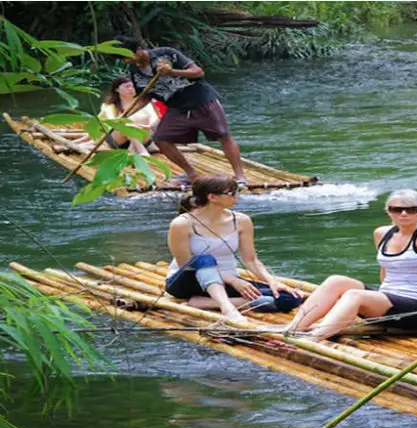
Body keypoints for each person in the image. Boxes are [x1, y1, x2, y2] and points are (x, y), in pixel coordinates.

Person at [286, 189, 417, 341]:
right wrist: (376, 301)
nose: (403, 214)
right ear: (388, 211)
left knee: (354, 294)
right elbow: (385, 271)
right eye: (397, 209)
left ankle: (314, 338)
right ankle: (293, 328)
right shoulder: (382, 233)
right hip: (388, 300)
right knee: (336, 281)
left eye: (411, 209)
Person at [165, 175, 302, 323]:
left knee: (290, 299)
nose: (237, 196)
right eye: (232, 193)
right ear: (212, 197)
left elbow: (251, 260)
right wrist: (233, 280)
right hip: (188, 281)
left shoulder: (242, 221)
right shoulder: (181, 224)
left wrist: (272, 281)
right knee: (204, 258)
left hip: (227, 282)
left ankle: (205, 303)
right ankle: (227, 308)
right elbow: (185, 264)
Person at [115, 36, 248, 186]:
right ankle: (191, 174)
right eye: (123, 59)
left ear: (138, 50)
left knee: (223, 135)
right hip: (176, 106)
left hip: (201, 100)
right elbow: (146, 95)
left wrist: (172, 72)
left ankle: (240, 177)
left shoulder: (166, 53)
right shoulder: (135, 72)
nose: (127, 61)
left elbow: (198, 72)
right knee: (160, 139)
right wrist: (127, 114)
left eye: (128, 56)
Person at [75, 76, 160, 156]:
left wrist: (140, 126)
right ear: (117, 89)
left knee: (141, 118)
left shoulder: (144, 103)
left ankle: (134, 149)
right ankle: (140, 150)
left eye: (133, 86)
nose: (131, 89)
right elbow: (113, 123)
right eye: (127, 87)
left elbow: (154, 121)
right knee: (125, 124)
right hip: (118, 139)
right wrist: (130, 124)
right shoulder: (109, 106)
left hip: (142, 136)